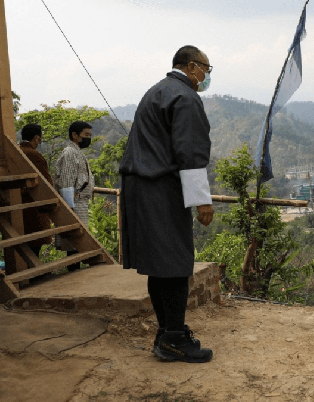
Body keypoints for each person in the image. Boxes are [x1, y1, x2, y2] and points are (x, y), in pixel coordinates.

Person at [119, 45, 215, 363]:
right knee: (174, 262)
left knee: (159, 264)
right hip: (160, 187)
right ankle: (173, 339)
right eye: (206, 69)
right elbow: (190, 152)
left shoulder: (156, 91)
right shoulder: (185, 97)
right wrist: (202, 202)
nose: (206, 76)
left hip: (138, 186)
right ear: (190, 67)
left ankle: (167, 331)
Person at [54, 121, 95, 272]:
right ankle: (73, 272)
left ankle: (76, 270)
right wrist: (69, 208)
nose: (88, 138)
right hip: (74, 204)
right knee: (74, 241)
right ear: (75, 135)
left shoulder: (77, 152)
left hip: (79, 203)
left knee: (77, 241)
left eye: (90, 135)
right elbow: (66, 182)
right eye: (86, 135)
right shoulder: (70, 153)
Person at [19, 124, 54, 257]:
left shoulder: (17, 151)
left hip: (18, 202)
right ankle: (35, 274)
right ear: (37, 138)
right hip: (34, 204)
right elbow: (46, 181)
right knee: (35, 242)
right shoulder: (34, 154)